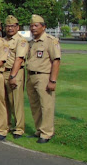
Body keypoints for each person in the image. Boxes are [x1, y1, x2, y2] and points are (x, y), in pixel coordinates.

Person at [26, 14, 61, 144]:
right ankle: (39, 130)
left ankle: (47, 133)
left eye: (36, 25)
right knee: (35, 105)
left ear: (43, 27)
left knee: (46, 105)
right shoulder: (31, 42)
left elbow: (56, 61)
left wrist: (53, 80)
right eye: (31, 26)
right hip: (31, 75)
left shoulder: (50, 41)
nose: (33, 28)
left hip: (44, 76)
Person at [3, 15, 28, 139]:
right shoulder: (3, 41)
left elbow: (19, 59)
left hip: (15, 73)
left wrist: (13, 75)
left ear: (17, 27)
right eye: (8, 26)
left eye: (13, 26)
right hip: (2, 72)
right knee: (4, 101)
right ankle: (6, 125)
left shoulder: (21, 41)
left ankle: (19, 128)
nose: (10, 28)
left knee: (16, 101)